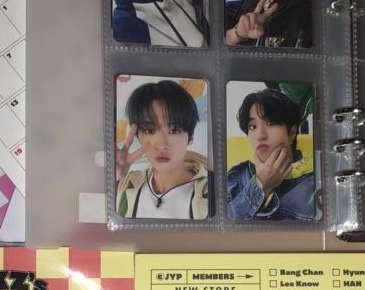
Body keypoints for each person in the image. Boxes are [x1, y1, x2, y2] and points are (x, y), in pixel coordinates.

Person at [115, 80, 212, 219]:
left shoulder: (213, 194)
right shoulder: (127, 186)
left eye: (174, 130)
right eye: (149, 130)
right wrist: (115, 179)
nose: (162, 145)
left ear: (190, 137)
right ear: (137, 136)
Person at [227, 87, 318, 221]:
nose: (260, 135)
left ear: (292, 133)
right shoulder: (236, 177)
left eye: (270, 123)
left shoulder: (316, 183)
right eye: (252, 126)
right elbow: (218, 228)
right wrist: (261, 185)